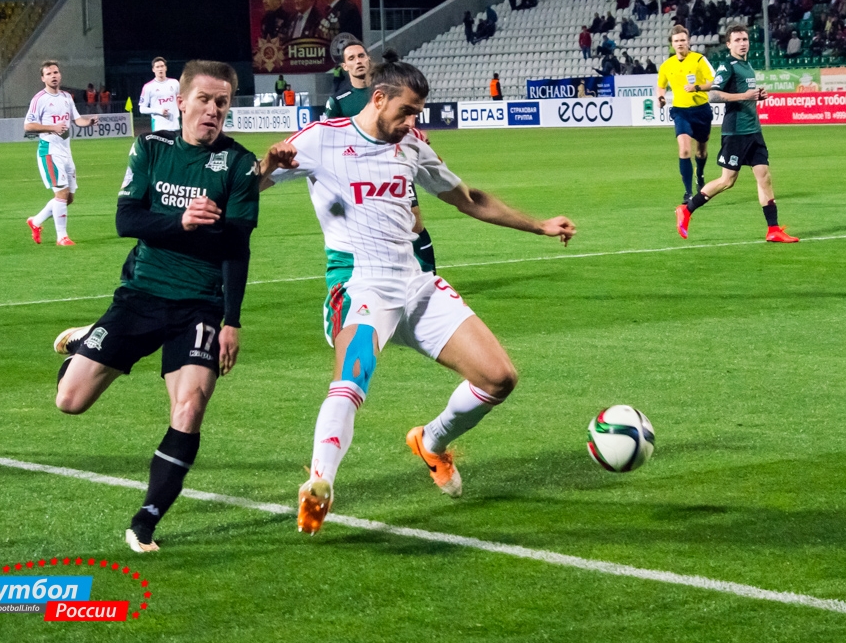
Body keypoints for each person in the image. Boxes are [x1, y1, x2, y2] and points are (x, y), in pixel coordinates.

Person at [259, 57, 576, 536]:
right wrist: (268, 164)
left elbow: (468, 198)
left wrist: (539, 225)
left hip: (416, 282)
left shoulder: (410, 146)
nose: (412, 122)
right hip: (360, 284)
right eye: (406, 111)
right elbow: (249, 185)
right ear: (379, 98)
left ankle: (431, 442)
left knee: (499, 378)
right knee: (352, 377)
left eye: (417, 114)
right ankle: (319, 484)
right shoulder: (322, 138)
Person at [51, 60, 285, 553]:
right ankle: (86, 346)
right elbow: (126, 220)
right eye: (204, 99)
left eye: (222, 102)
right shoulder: (151, 148)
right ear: (180, 102)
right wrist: (181, 221)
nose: (213, 110)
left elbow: (236, 248)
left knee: (190, 406)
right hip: (141, 295)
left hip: (200, 305)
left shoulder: (240, 164)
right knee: (69, 401)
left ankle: (146, 521)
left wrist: (232, 321)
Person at [675, 26, 798, 243]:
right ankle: (686, 209)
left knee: (764, 176)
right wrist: (744, 96)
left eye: (745, 39)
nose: (743, 43)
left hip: (753, 130)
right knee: (727, 181)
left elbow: (745, 94)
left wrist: (756, 96)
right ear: (729, 44)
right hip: (735, 132)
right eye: (738, 40)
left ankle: (773, 229)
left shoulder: (747, 66)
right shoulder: (727, 65)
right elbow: (713, 95)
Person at [326, 47, 439, 274]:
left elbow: (405, 117)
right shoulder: (338, 101)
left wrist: (415, 133)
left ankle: (429, 275)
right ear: (344, 66)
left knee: (414, 222)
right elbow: (331, 138)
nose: (358, 61)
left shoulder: (387, 89)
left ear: (368, 58)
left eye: (361, 56)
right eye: (351, 58)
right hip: (360, 172)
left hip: (395, 163)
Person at [24, 60, 99, 247]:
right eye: (49, 74)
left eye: (55, 72)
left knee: (68, 198)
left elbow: (77, 120)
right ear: (43, 78)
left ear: (60, 75)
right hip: (49, 151)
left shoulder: (66, 97)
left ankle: (36, 221)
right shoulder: (39, 99)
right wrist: (53, 127)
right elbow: (28, 126)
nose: (53, 76)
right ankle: (62, 237)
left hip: (66, 152)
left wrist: (89, 122)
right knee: (61, 194)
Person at [656, 25, 716, 204]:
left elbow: (714, 82)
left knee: (701, 151)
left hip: (701, 110)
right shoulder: (667, 65)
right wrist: (660, 97)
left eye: (683, 40)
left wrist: (696, 87)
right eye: (676, 41)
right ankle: (688, 192)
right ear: (672, 44)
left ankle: (700, 173)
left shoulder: (699, 60)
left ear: (688, 41)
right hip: (680, 111)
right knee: (684, 149)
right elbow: (661, 86)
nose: (680, 43)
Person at [139, 57, 181, 132]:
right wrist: (159, 111)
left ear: (166, 68)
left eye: (162, 66)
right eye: (157, 67)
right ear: (153, 69)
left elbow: (181, 100)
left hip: (175, 126)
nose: (160, 69)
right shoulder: (148, 87)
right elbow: (142, 109)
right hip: (159, 127)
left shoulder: (175, 83)